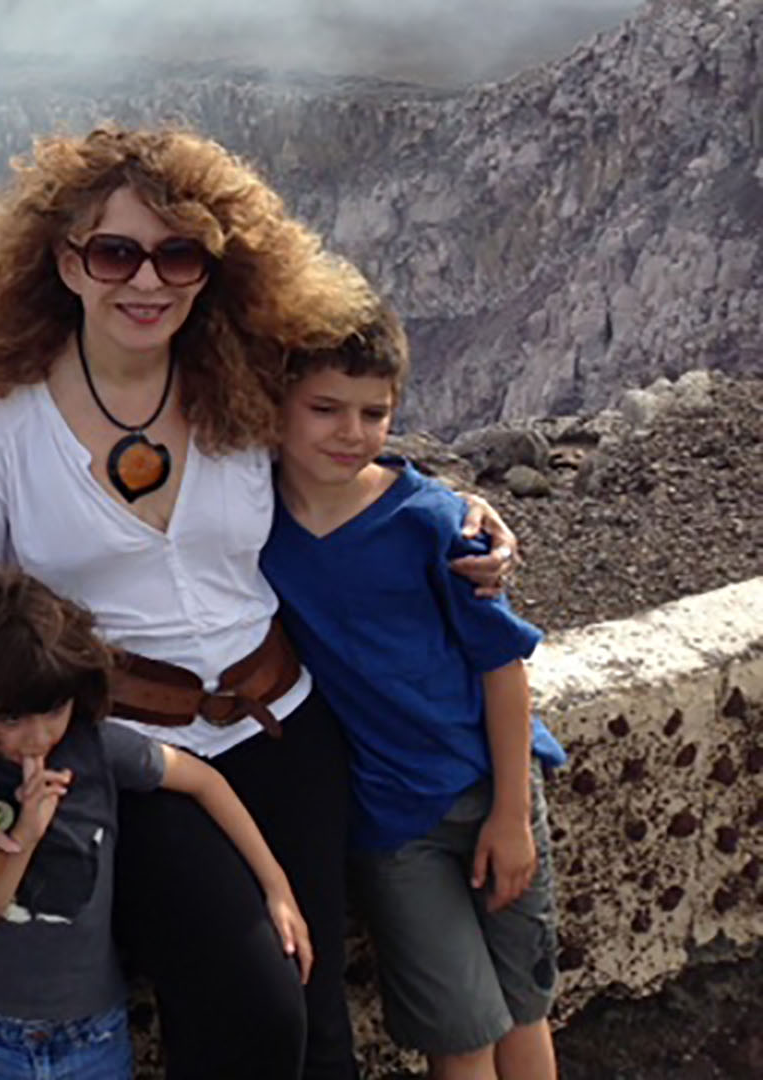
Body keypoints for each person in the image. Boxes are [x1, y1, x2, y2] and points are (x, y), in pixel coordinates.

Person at [0, 125, 517, 1080]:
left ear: (212, 266)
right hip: (139, 765)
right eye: (116, 252)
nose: (146, 281)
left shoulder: (240, 382)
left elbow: (344, 461)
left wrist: (458, 516)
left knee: (318, 1028)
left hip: (292, 734)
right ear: (66, 262)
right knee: (252, 1000)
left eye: (177, 252)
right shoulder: (2, 427)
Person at [261, 311, 564, 1080]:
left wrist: (511, 815)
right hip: (394, 821)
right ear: (278, 404)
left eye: (374, 412)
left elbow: (503, 665)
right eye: (325, 409)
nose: (350, 432)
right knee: (458, 1033)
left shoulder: (434, 523)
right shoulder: (251, 525)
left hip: (491, 784)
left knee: (525, 1006)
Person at [0, 567, 311, 1080]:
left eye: (52, 711)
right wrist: (27, 833)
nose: (36, 737)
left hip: (93, 1030)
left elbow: (204, 782)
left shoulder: (95, 747)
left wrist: (275, 884)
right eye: (10, 719)